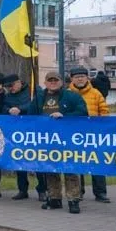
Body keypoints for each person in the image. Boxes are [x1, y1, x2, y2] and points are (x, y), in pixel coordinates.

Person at [33, 72, 88, 214]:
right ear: (45, 82)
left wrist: (65, 116)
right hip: (47, 140)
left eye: (55, 80)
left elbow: (83, 112)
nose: (52, 82)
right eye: (49, 80)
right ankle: (54, 198)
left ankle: (73, 200)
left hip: (67, 139)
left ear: (61, 82)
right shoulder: (39, 98)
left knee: (70, 169)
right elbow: (30, 115)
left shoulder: (72, 96)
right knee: (51, 169)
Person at [68, 67, 110, 203]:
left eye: (82, 76)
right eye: (76, 76)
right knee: (76, 163)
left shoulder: (96, 93)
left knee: (96, 163)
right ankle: (77, 191)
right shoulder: (67, 94)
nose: (80, 79)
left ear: (87, 78)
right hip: (74, 134)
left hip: (93, 134)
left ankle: (100, 192)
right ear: (71, 79)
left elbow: (104, 111)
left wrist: (101, 128)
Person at [3, 74, 44, 202]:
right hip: (17, 132)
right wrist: (9, 110)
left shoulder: (34, 90)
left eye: (12, 86)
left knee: (38, 162)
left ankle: (42, 190)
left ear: (19, 82)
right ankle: (22, 189)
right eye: (8, 87)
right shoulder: (7, 96)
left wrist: (20, 109)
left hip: (34, 131)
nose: (10, 89)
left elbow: (39, 104)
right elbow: (2, 108)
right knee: (19, 161)